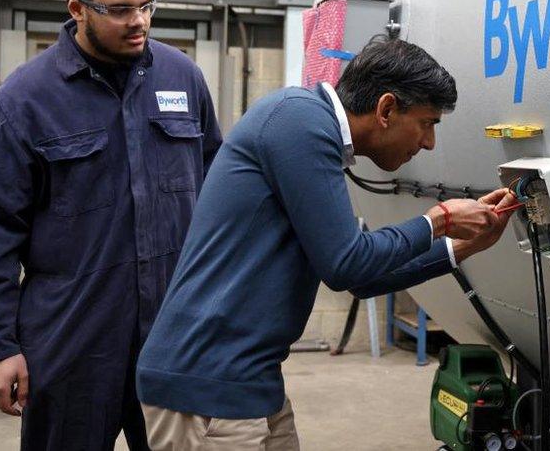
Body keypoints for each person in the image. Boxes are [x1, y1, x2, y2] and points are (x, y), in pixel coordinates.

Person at [136, 38, 518, 450]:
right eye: (427, 123)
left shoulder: (311, 131)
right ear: (386, 109)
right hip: (207, 383)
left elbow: (362, 279)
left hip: (250, 378)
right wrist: (439, 220)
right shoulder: (300, 121)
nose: (428, 143)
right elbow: (346, 264)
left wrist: (464, 247)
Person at [0, 0, 221, 450]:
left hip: (173, 334)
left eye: (147, 5)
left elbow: (219, 195)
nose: (140, 22)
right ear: (77, 8)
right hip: (71, 340)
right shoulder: (25, 100)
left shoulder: (183, 78)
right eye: (120, 10)